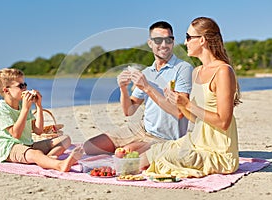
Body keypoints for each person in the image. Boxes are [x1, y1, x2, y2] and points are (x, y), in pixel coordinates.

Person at [140, 17, 242, 178]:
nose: (185, 42)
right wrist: (179, 103)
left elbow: (223, 122)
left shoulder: (223, 71)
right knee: (149, 155)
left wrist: (188, 105)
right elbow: (195, 119)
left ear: (202, 40)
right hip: (195, 142)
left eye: (188, 37)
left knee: (168, 158)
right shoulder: (196, 72)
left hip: (219, 152)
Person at [83, 21, 193, 155]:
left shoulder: (183, 69)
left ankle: (133, 150)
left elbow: (179, 112)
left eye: (168, 40)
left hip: (165, 138)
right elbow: (129, 111)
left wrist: (147, 87)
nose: (164, 45)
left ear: (173, 41)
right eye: (158, 40)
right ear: (150, 43)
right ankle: (131, 150)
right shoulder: (147, 72)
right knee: (90, 147)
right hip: (141, 129)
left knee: (126, 152)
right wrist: (123, 88)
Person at [0, 68, 83, 172]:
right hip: (10, 148)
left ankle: (47, 159)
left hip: (28, 144)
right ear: (6, 90)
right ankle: (59, 165)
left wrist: (39, 106)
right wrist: (26, 109)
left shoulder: (23, 104)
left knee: (65, 139)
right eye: (21, 86)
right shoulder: (2, 108)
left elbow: (38, 130)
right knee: (35, 153)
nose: (25, 88)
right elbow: (16, 134)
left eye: (25, 84)